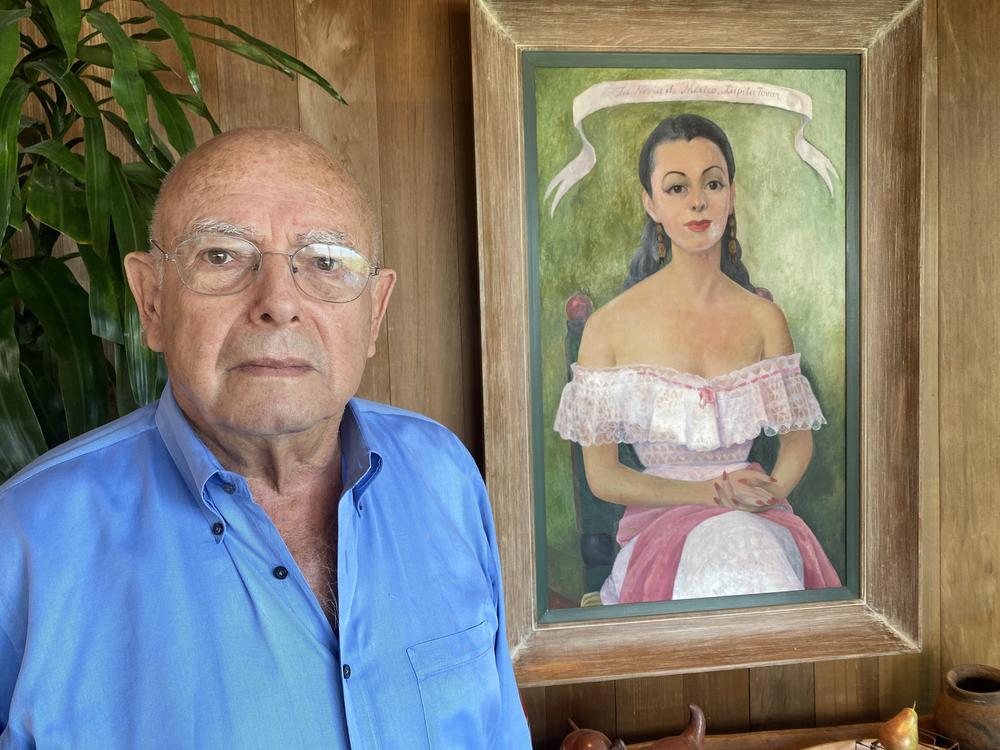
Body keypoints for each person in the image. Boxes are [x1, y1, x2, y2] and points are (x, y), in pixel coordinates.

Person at [0, 128, 531, 748]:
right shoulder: (27, 538)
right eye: (222, 255)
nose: (279, 303)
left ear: (375, 313)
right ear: (151, 301)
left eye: (326, 262)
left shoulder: (444, 474)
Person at [554, 113, 841, 605]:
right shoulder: (608, 326)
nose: (698, 202)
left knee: (750, 549)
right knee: (736, 554)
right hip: (660, 526)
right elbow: (603, 478)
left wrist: (765, 493)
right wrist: (710, 493)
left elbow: (798, 447)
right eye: (676, 188)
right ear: (651, 203)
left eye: (712, 183)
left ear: (731, 193)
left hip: (757, 516)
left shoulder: (764, 317)